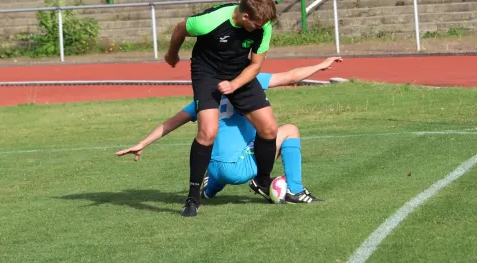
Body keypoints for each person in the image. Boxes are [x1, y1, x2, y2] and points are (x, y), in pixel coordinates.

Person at [117, 57, 343, 211]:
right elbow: (291, 76)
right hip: (239, 168)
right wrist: (321, 64)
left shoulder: (207, 94)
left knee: (222, 143)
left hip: (212, 166)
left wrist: (142, 143)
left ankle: (211, 187)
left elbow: (171, 123)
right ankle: (294, 190)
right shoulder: (249, 82)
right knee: (288, 130)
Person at [164, 0, 279, 217]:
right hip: (206, 73)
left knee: (269, 129)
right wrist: (172, 54)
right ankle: (193, 197)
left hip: (239, 72)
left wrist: (234, 84)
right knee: (208, 132)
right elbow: (179, 28)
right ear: (245, 17)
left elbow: (255, 65)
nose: (261, 27)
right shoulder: (209, 21)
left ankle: (263, 183)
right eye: (257, 23)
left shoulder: (263, 26)